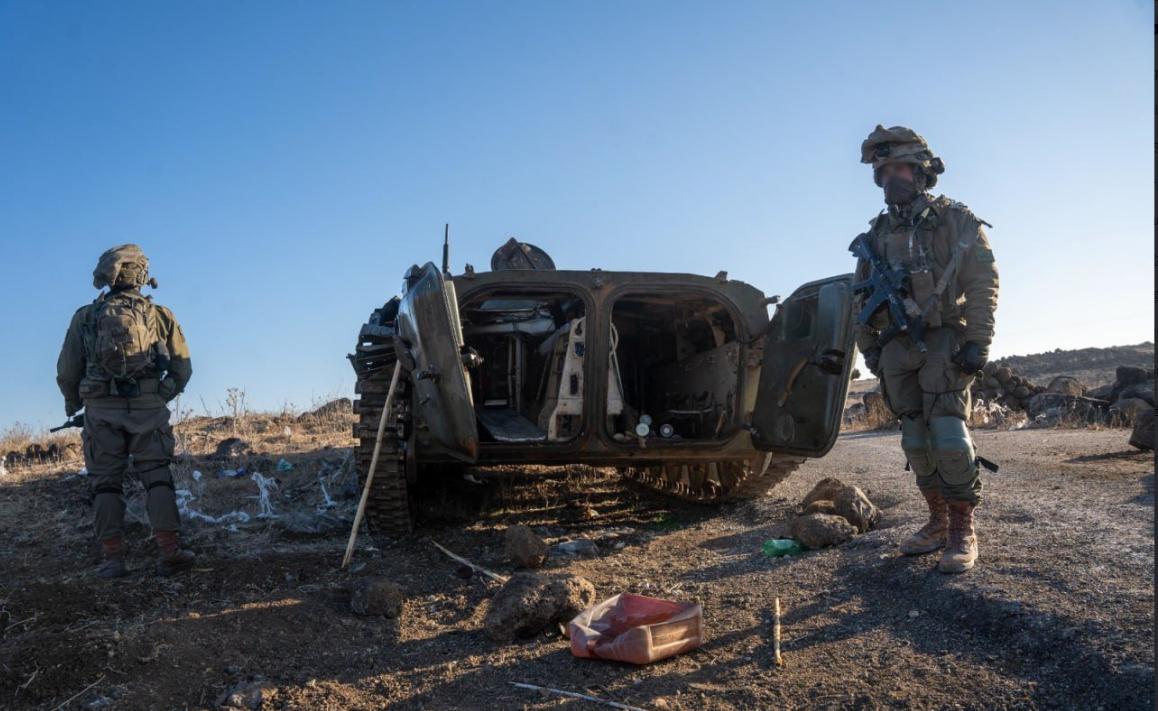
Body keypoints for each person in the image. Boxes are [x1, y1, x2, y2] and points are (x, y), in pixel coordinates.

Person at [852, 126, 999, 573]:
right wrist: (870, 350)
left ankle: (961, 529)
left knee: (950, 438)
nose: (890, 177)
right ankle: (936, 521)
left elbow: (981, 284)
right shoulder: (875, 235)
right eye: (883, 171)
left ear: (920, 172)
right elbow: (859, 298)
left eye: (898, 167)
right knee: (916, 441)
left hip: (943, 340)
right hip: (896, 348)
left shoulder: (956, 220)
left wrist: (978, 341)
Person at [56, 244, 196, 577]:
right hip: (149, 408)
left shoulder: (86, 317)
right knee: (158, 479)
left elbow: (66, 372)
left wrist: (77, 404)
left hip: (101, 410)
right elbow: (183, 368)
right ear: (141, 276)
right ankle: (170, 551)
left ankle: (113, 560)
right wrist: (161, 394)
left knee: (106, 484)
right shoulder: (160, 315)